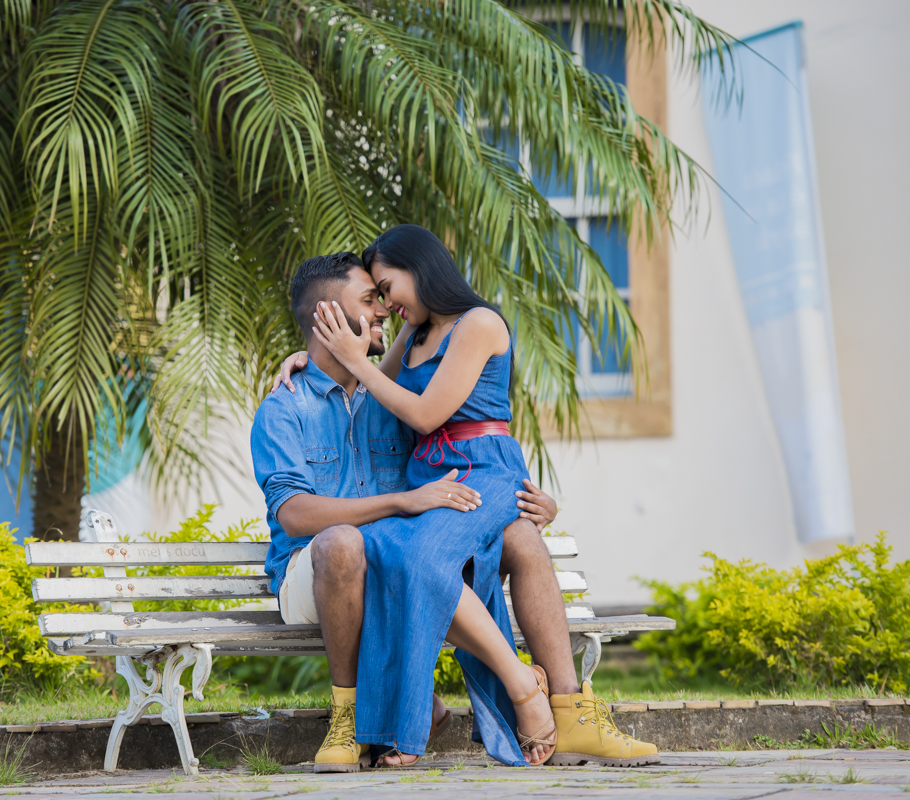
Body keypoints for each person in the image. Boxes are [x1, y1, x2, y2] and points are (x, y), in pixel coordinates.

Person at [253, 247, 658, 771]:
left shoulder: (388, 399)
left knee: (517, 535)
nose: (383, 309)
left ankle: (570, 709)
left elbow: (462, 441)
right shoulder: (286, 406)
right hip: (316, 571)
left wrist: (524, 498)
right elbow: (293, 515)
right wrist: (402, 500)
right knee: (345, 542)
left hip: (400, 559)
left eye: (383, 295)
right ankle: (351, 720)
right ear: (328, 315)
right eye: (370, 299)